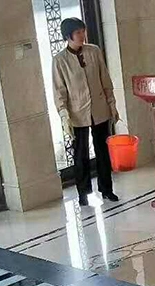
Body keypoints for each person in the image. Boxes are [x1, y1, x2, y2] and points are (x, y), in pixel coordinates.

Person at [52, 17, 120, 204]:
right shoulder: (59, 61)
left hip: (99, 110)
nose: (82, 36)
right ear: (68, 36)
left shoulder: (94, 51)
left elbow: (105, 80)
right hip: (77, 114)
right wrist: (64, 115)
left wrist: (112, 104)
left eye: (83, 31)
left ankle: (107, 189)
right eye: (78, 33)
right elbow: (59, 91)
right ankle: (83, 193)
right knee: (80, 154)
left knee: (103, 151)